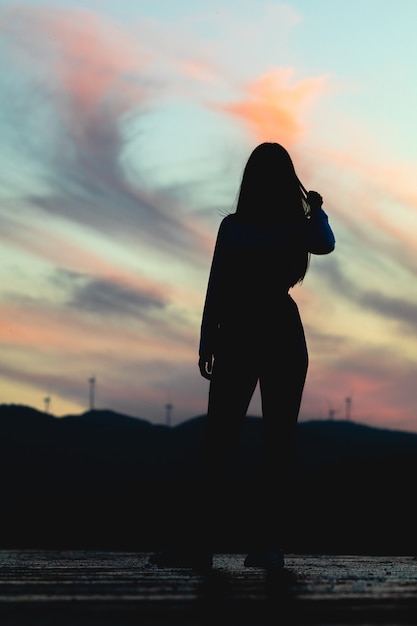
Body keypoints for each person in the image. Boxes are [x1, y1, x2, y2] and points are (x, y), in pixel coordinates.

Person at [148, 142, 335, 570]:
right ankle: (221, 546)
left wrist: (314, 212)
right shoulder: (241, 227)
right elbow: (219, 283)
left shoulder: (278, 225)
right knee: (237, 441)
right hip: (253, 332)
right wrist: (207, 337)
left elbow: (324, 243)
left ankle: (249, 545)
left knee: (254, 441)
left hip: (258, 332)